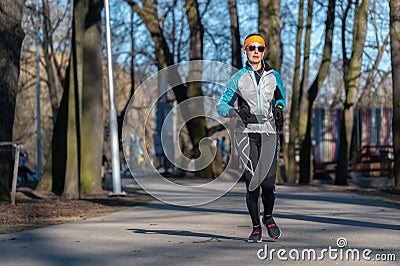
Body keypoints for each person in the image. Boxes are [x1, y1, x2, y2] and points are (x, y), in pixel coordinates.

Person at [216, 33, 286, 243]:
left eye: (259, 48)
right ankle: (256, 228)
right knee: (253, 184)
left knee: (268, 183)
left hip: (270, 133)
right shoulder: (238, 78)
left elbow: (281, 97)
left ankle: (269, 217)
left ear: (263, 52)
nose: (255, 51)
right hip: (246, 134)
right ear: (245, 51)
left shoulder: (274, 76)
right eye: (251, 48)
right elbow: (221, 105)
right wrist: (234, 113)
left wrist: (280, 108)